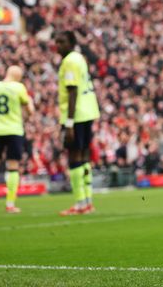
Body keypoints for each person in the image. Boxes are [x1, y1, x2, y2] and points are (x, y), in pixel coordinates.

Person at [55, 30, 101, 216]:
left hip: (78, 114)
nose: (58, 45)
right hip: (89, 110)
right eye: (57, 42)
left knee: (75, 156)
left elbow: (72, 91)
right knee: (83, 157)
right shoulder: (79, 58)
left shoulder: (70, 61)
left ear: (71, 42)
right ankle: (88, 202)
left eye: (62, 42)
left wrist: (69, 123)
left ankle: (80, 204)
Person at [0, 65, 35, 214]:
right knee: (13, 166)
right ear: (18, 76)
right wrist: (30, 103)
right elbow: (29, 111)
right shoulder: (19, 88)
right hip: (14, 130)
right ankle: (10, 204)